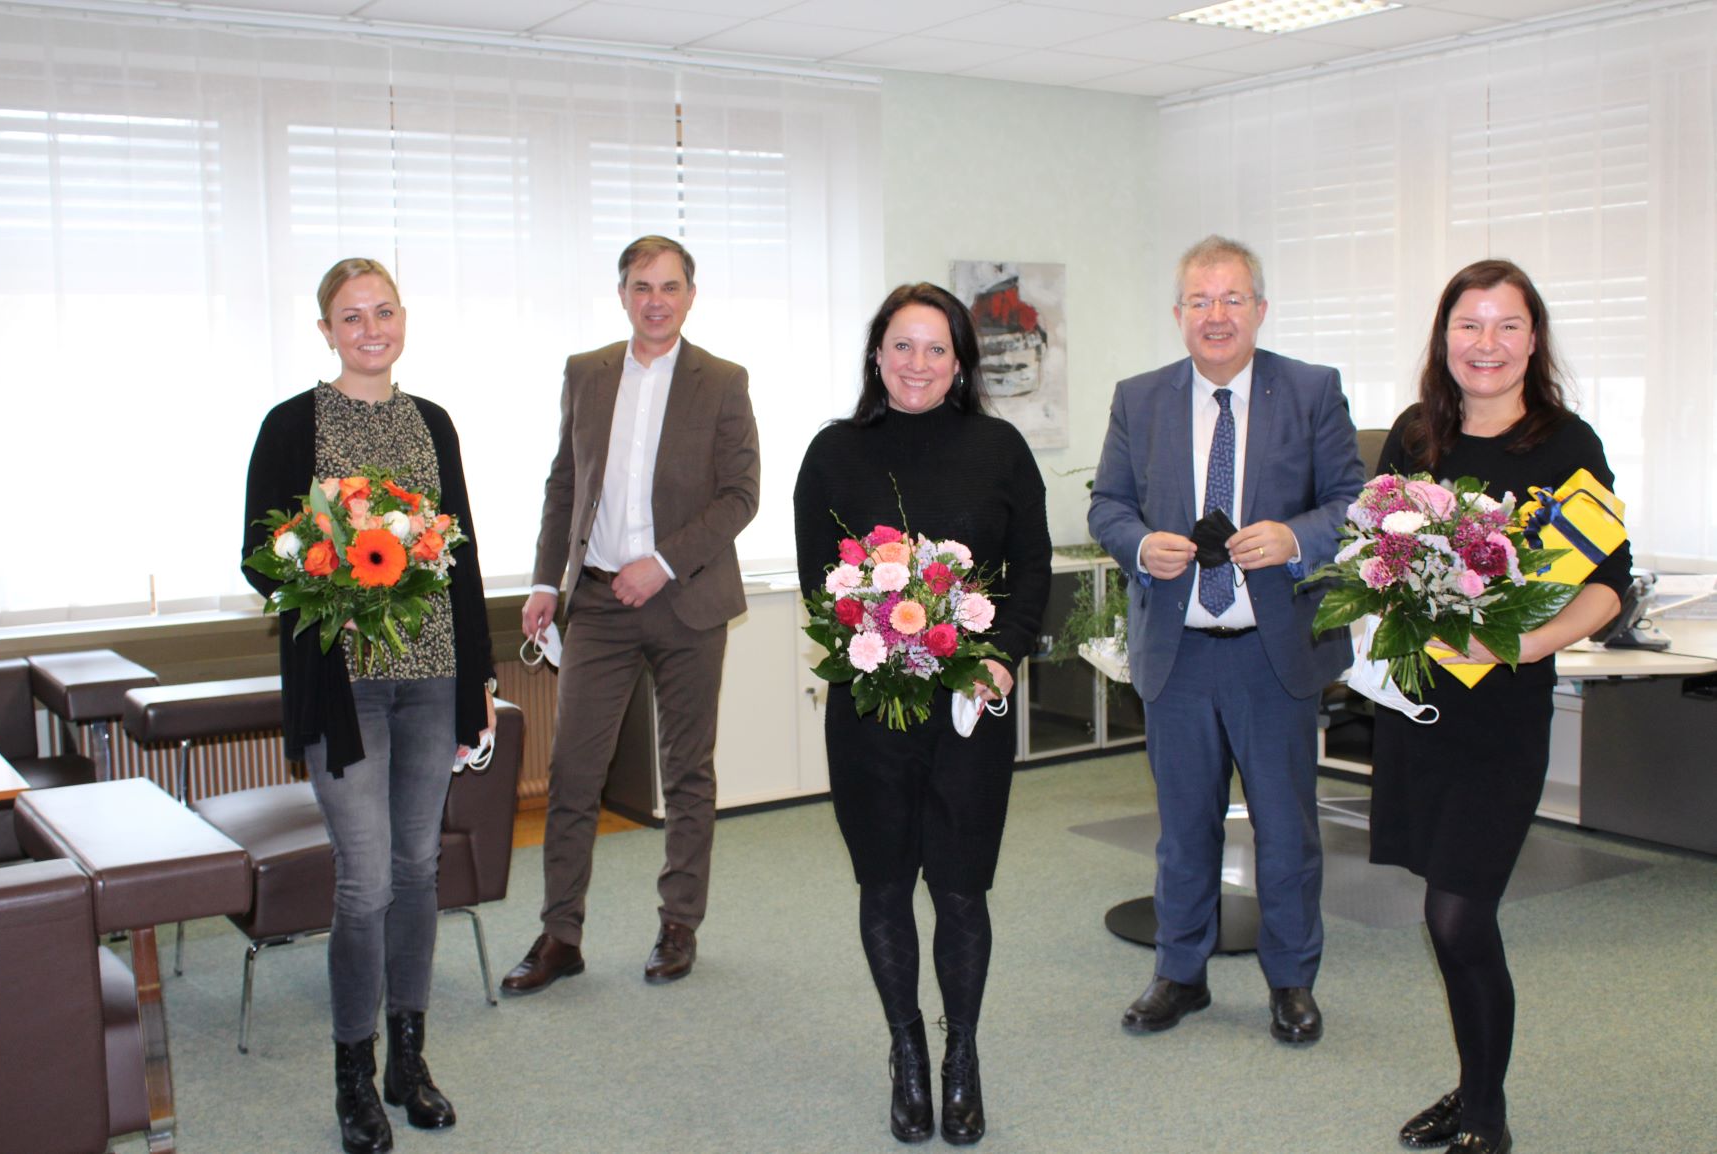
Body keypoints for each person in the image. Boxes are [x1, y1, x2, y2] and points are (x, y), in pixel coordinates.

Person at [1371, 260, 1629, 1154]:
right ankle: (1471, 1084)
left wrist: (1519, 644)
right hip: (1422, 711)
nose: (1487, 344)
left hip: (1503, 718)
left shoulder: (1564, 444)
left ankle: (1488, 1111)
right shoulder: (1414, 438)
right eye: (1469, 326)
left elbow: (1607, 587)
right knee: (1443, 911)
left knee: (1458, 913)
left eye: (1507, 325)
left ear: (1533, 338)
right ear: (1444, 338)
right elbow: (1378, 561)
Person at [242, 258, 495, 1154]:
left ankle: (409, 1062)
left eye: (383, 311)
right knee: (367, 880)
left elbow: (459, 554)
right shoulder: (291, 426)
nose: (370, 329)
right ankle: (354, 1073)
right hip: (342, 688)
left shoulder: (433, 424)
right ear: (326, 332)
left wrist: (482, 685)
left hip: (431, 678)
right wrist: (334, 564)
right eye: (351, 317)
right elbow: (259, 556)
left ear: (403, 318)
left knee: (420, 870)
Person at [792, 283, 1052, 1146]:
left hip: (971, 711)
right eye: (902, 346)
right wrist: (888, 647)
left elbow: (1030, 574)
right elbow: (819, 585)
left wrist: (998, 657)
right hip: (872, 712)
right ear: (876, 355)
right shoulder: (834, 453)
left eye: (936, 349)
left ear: (960, 362)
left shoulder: (1002, 448)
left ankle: (961, 1056)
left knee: (962, 891)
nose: (917, 364)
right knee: (884, 884)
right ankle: (906, 1048)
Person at [1088, 236, 1365, 1044]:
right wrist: (1141, 545)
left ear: (1260, 310)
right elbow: (1108, 505)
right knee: (1184, 829)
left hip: (1272, 653)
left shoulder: (1311, 391)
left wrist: (1296, 538)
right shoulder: (1138, 399)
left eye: (1232, 299)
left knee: (1285, 828)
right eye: (1200, 301)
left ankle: (1291, 982)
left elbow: (1356, 502)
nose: (1216, 316)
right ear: (1178, 314)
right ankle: (1180, 973)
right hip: (1178, 653)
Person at [501, 235, 759, 994]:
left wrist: (665, 561)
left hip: (687, 598)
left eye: (670, 287)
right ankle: (560, 935)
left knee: (687, 772)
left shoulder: (723, 380)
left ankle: (678, 923)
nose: (656, 300)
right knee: (573, 771)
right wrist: (548, 580)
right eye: (642, 286)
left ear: (690, 295)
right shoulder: (586, 373)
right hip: (600, 605)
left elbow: (741, 495)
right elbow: (563, 485)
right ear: (621, 294)